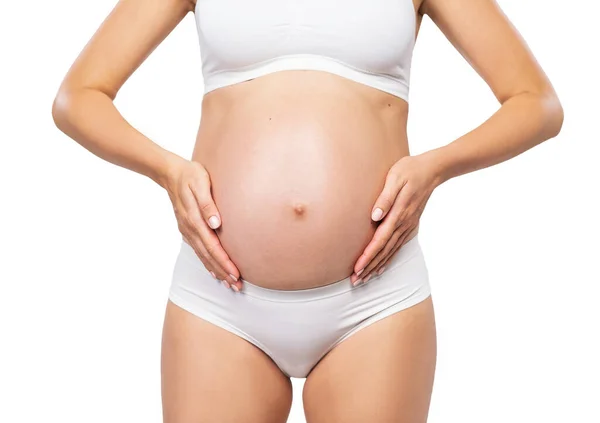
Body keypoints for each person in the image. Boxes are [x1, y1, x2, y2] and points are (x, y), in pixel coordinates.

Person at [51, 0, 563, 421]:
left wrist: (434, 168)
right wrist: (168, 171)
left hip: (375, 302)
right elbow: (79, 97)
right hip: (220, 299)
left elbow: (535, 103)